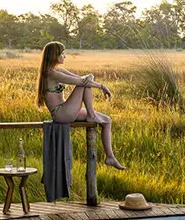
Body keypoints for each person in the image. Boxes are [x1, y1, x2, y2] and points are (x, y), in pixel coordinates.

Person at [35, 41, 126, 169]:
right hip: (61, 113)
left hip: (67, 109)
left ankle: (110, 157)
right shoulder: (51, 74)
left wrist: (90, 76)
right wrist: (101, 86)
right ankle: (92, 115)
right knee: (83, 85)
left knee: (107, 121)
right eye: (62, 53)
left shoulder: (58, 70)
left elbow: (82, 78)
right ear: (55, 56)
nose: (64, 56)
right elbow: (81, 81)